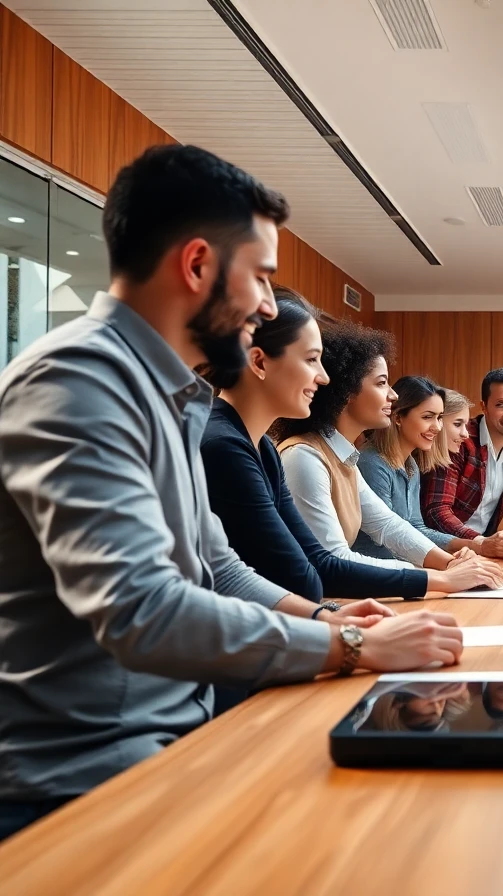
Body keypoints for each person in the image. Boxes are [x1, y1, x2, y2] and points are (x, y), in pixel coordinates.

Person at [0, 145, 463, 841]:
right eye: (262, 278)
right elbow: (143, 611)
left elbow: (218, 569)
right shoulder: (78, 385)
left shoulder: (172, 396)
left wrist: (329, 621)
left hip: (174, 748)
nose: (269, 306)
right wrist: (352, 645)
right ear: (197, 267)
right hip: (82, 790)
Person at [201, 290, 503, 600]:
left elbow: (378, 531)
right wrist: (442, 578)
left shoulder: (263, 448)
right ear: (259, 362)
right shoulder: (254, 450)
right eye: (310, 360)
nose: (322, 378)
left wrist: (452, 565)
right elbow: (316, 570)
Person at [272, 320, 503, 586]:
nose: (393, 395)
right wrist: (439, 578)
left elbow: (388, 525)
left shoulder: (343, 457)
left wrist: (450, 563)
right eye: (382, 383)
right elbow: (333, 558)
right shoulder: (305, 457)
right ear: (346, 391)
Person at [422, 368, 503, 558]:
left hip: (485, 551)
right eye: (501, 405)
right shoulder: (459, 439)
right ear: (484, 406)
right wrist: (480, 542)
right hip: (445, 549)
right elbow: (437, 512)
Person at [356, 376, 482, 558]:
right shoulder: (372, 463)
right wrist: (447, 563)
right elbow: (383, 540)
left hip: (401, 568)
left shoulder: (411, 466)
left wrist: (474, 546)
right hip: (376, 573)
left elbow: (417, 529)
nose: (438, 427)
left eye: (439, 418)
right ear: (398, 417)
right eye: (427, 417)